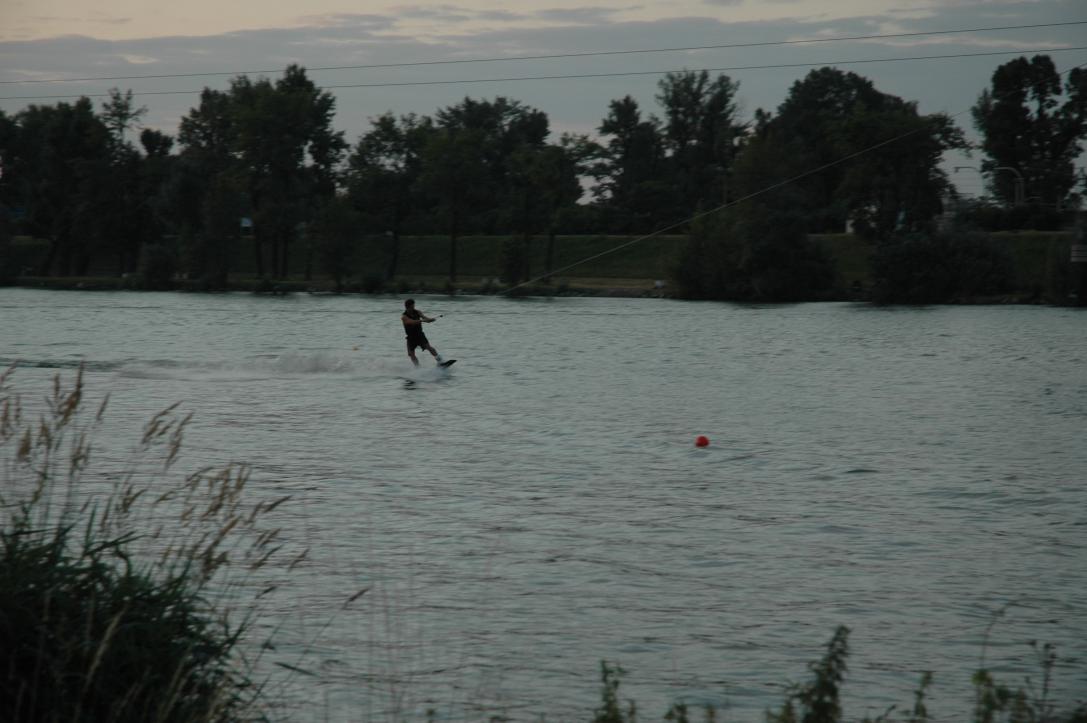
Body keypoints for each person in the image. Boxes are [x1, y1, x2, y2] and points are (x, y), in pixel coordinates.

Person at [400, 298, 443, 366]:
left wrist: (430, 320)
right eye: (412, 306)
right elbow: (411, 322)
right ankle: (417, 367)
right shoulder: (404, 316)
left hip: (419, 335)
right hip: (411, 337)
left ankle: (440, 361)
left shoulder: (417, 312)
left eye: (413, 306)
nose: (413, 308)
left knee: (429, 347)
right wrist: (422, 321)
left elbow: (425, 318)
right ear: (407, 307)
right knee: (411, 354)